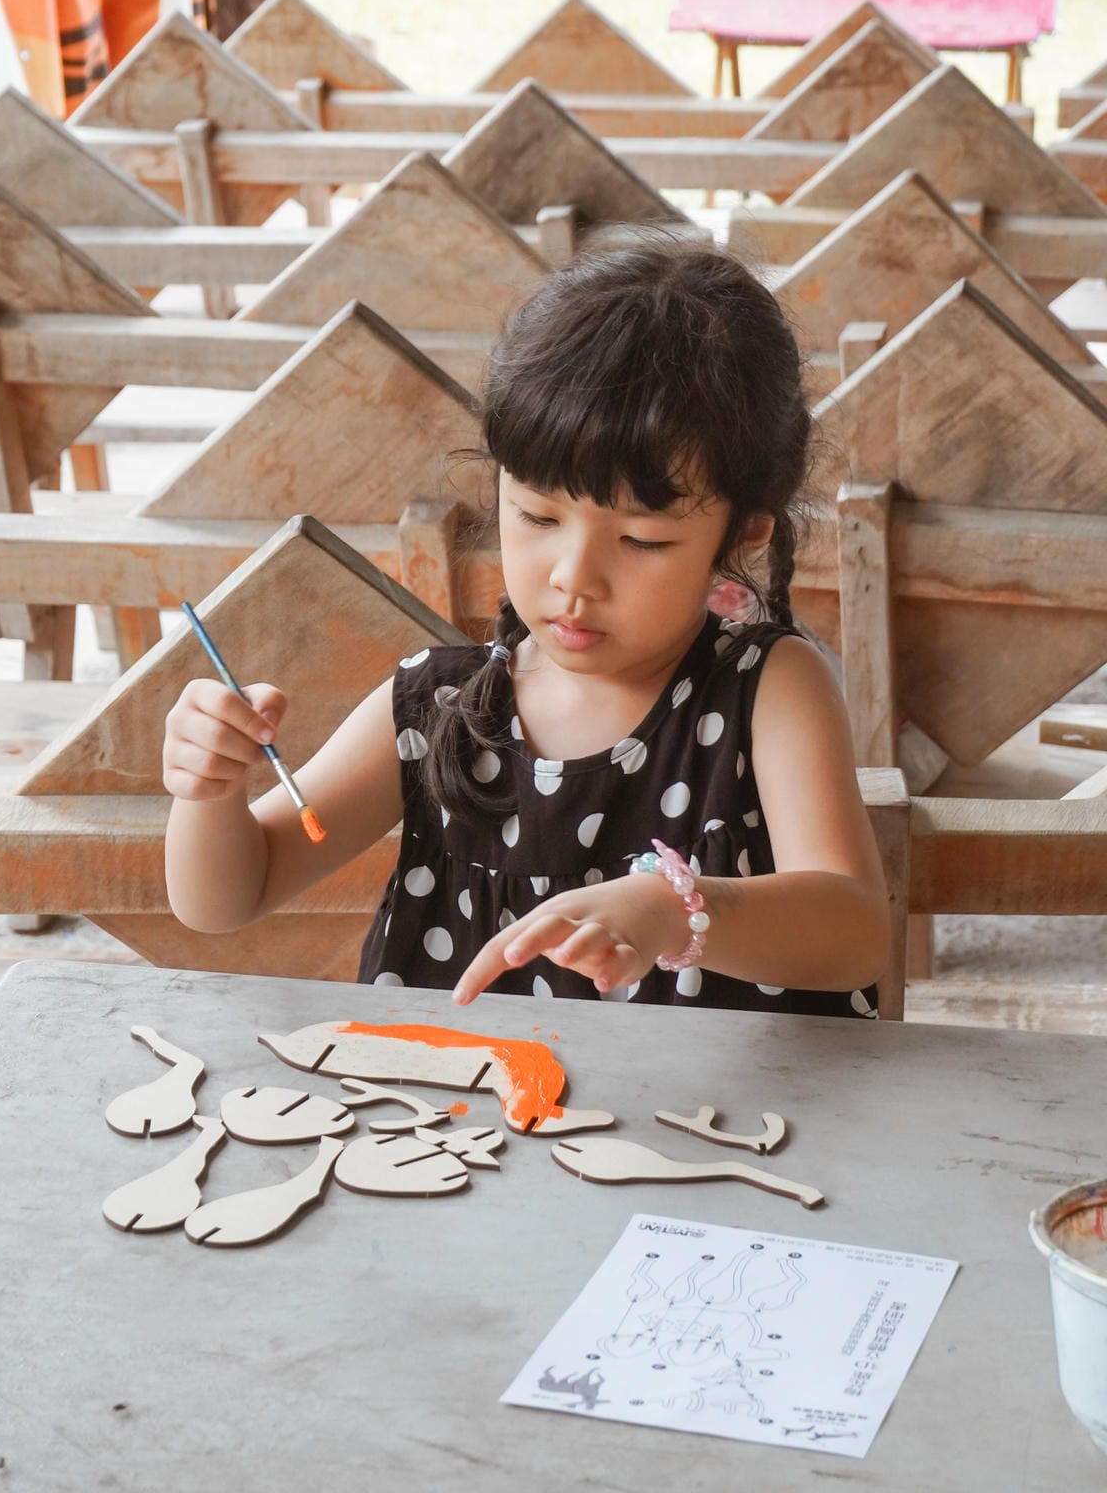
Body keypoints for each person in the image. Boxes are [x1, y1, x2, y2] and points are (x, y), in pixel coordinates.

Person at [162, 232, 889, 1017]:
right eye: (538, 515)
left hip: (714, 1128)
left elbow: (854, 929)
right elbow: (230, 896)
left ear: (743, 531)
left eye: (642, 539)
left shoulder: (764, 691)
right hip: (476, 1128)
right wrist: (208, 791)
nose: (574, 576)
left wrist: (679, 908)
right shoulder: (437, 711)